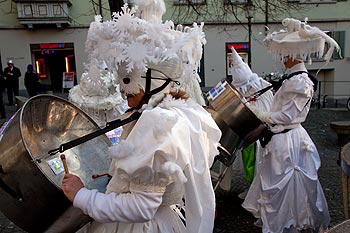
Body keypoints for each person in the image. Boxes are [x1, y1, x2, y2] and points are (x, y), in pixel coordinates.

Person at [61, 2, 222, 233]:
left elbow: (141, 207)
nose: (122, 90)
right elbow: (156, 180)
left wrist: (81, 195)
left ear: (154, 81)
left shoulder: (158, 122)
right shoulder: (182, 111)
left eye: (127, 80)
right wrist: (120, 177)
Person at [242, 18, 341, 232]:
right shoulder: (292, 79)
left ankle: (290, 222)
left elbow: (288, 116)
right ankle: (278, 220)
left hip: (289, 141)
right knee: (275, 182)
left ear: (290, 54)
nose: (281, 59)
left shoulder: (300, 82)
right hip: (281, 139)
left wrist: (263, 115)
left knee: (288, 182)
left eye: (283, 54)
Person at [220, 48, 273, 197]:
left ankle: (259, 193)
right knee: (250, 163)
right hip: (248, 132)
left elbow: (268, 111)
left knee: (260, 163)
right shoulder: (245, 89)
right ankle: (254, 189)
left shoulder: (263, 87)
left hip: (263, 134)